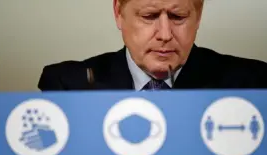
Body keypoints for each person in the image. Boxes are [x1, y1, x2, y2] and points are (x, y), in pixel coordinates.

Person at [38, 0, 267, 91]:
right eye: (149, 16)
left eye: (178, 17)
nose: (165, 35)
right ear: (118, 13)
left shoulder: (253, 83)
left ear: (198, 16)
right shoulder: (68, 85)